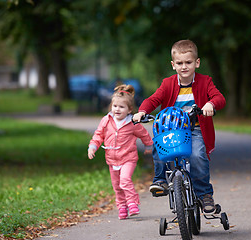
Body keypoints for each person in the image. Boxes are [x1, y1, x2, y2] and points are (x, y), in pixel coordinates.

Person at [133, 39, 226, 213]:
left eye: (188, 62)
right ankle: (160, 180)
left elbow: (219, 98)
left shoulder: (205, 82)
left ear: (197, 63)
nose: (184, 66)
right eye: (180, 63)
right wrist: (142, 111)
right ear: (173, 65)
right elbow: (154, 99)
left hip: (196, 129)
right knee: (159, 147)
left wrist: (211, 104)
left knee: (198, 156)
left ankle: (205, 194)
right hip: (173, 129)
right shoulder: (168, 83)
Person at [88, 84, 153, 220]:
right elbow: (98, 135)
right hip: (112, 159)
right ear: (111, 106)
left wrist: (148, 146)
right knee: (117, 186)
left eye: (121, 107)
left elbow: (144, 134)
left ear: (129, 110)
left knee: (124, 180)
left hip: (128, 158)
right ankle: (122, 207)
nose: (117, 109)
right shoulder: (106, 120)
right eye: (115, 106)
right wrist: (93, 146)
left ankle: (132, 203)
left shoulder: (132, 123)